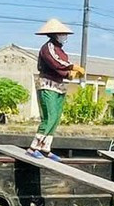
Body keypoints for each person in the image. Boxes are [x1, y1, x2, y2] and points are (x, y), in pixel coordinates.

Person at [31, 18, 83, 155]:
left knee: (56, 117)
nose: (64, 37)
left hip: (58, 86)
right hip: (47, 85)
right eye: (62, 34)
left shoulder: (61, 51)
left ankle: (45, 147)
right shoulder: (48, 48)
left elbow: (61, 68)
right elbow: (56, 62)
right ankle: (34, 146)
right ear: (55, 34)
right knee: (50, 115)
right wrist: (72, 67)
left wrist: (70, 74)